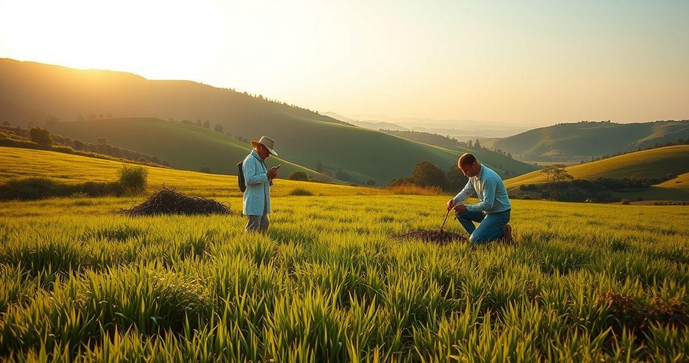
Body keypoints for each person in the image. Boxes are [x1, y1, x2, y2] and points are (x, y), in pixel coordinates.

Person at [447, 153, 513, 243]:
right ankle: (475, 236)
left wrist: (466, 207)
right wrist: (454, 200)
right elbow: (467, 191)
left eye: (466, 170)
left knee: (475, 240)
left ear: (474, 165)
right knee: (459, 212)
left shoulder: (488, 178)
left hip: (499, 214)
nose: (464, 174)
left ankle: (502, 232)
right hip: (486, 212)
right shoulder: (473, 175)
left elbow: (488, 204)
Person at [242, 136, 279, 233]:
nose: (268, 155)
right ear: (260, 148)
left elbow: (263, 180)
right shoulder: (250, 160)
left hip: (262, 203)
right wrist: (267, 175)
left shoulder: (261, 162)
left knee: (264, 224)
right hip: (254, 202)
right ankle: (250, 247)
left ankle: (260, 246)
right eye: (267, 151)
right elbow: (249, 180)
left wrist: (270, 177)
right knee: (253, 228)